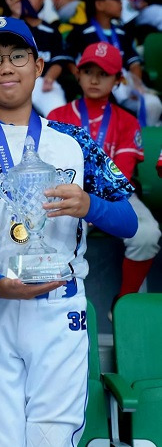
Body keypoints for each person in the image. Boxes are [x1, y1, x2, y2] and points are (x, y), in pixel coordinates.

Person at [0, 16, 137, 446]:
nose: (6, 67)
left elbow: (129, 222)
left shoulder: (74, 141)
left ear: (39, 65)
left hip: (58, 306)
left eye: (17, 56)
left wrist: (90, 205)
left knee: (52, 438)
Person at [48, 42, 160, 315]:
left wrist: (92, 205)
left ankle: (124, 302)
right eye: (89, 71)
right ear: (78, 74)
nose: (95, 79)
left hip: (113, 195)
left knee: (148, 233)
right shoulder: (57, 116)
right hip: (65, 194)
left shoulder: (126, 120)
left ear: (118, 79)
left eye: (104, 73)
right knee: (51, 236)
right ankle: (54, 302)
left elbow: (120, 174)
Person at [66, 0, 162, 127]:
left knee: (152, 104)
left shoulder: (122, 32)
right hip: (97, 83)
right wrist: (80, 78)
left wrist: (135, 86)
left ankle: (140, 142)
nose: (121, 3)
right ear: (99, 4)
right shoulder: (81, 32)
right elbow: (69, 60)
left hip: (123, 82)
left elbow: (133, 62)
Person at [5, 0, 71, 116]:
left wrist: (50, 77)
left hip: (41, 83)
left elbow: (59, 61)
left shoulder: (51, 30)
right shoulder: (6, 25)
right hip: (12, 81)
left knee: (58, 114)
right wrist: (15, 16)